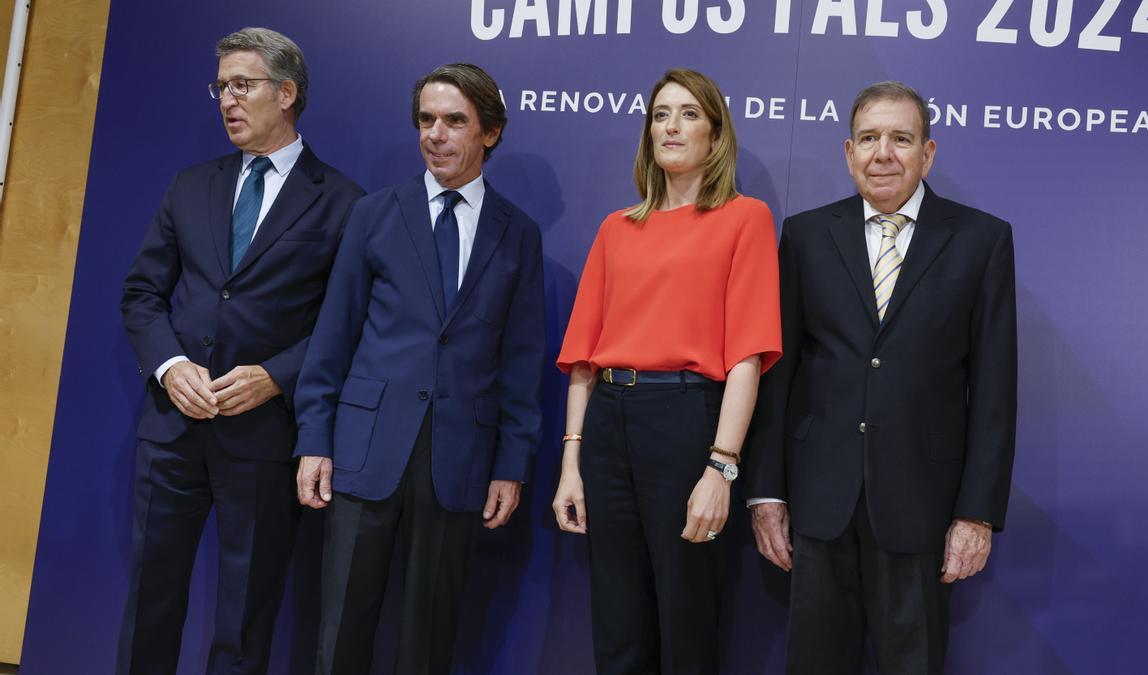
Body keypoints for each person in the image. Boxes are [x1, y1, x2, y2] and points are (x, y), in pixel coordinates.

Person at [746, 80, 1017, 674]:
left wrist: (976, 514)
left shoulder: (981, 240)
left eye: (901, 138)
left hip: (923, 503)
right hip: (820, 501)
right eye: (869, 138)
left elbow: (995, 389)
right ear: (848, 152)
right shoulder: (807, 235)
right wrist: (767, 492)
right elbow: (779, 373)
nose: (883, 153)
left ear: (929, 152)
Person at [117, 27, 363, 675]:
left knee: (244, 621)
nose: (227, 99)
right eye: (220, 87)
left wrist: (278, 375)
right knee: (149, 603)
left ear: (286, 93)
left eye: (242, 85)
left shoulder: (342, 203)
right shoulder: (189, 185)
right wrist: (170, 367)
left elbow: (347, 323)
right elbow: (141, 295)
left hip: (262, 440)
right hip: (171, 432)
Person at [291, 63, 545, 674]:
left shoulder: (519, 235)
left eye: (455, 120)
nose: (436, 133)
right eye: (426, 120)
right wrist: (315, 440)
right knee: (341, 626)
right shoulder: (375, 214)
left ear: (491, 132)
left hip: (460, 457)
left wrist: (512, 464)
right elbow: (333, 337)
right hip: (364, 448)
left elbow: (521, 362)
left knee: (429, 638)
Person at [552, 68, 782, 674]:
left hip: (687, 425)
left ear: (715, 133)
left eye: (687, 114)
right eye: (660, 114)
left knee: (686, 620)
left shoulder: (744, 218)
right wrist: (571, 462)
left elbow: (746, 357)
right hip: (608, 426)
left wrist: (721, 467)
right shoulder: (616, 228)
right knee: (619, 624)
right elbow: (583, 359)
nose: (671, 126)